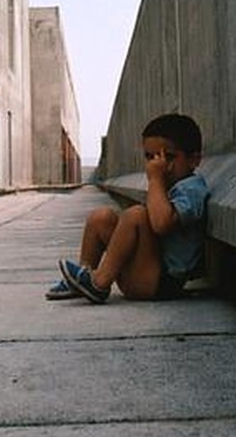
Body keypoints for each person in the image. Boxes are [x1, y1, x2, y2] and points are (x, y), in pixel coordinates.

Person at [47, 113, 210, 304]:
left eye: (169, 157)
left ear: (194, 160)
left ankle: (99, 283)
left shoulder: (192, 188)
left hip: (160, 284)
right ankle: (85, 277)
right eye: (151, 157)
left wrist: (155, 180)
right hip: (143, 272)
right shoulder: (167, 185)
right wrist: (158, 183)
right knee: (101, 217)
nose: (159, 164)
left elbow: (161, 224)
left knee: (137, 214)